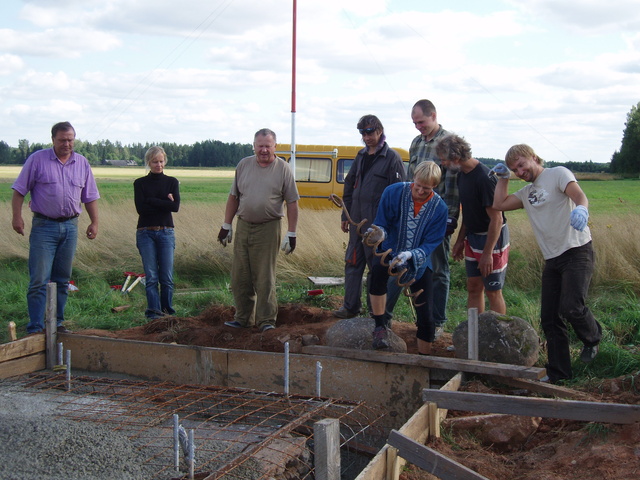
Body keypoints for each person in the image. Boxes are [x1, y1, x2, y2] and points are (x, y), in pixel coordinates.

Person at [492, 144, 601, 383]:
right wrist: (502, 179)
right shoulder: (526, 193)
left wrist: (582, 209)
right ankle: (559, 374)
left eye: (521, 164)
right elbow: (499, 205)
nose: (520, 171)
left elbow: (579, 195)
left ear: (533, 157)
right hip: (552, 259)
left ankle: (593, 339)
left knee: (571, 306)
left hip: (577, 250)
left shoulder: (558, 174)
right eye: (514, 169)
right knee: (550, 318)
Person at [11, 121, 100, 334]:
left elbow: (90, 197)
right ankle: (35, 327)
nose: (67, 144)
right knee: (39, 280)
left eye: (70, 139)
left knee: (62, 280)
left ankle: (57, 323)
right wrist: (17, 217)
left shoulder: (82, 163)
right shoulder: (37, 160)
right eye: (62, 140)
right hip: (44, 227)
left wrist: (94, 222)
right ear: (53, 140)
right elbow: (19, 191)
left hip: (70, 227)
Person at [386, 100, 459, 337]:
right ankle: (384, 317)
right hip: (412, 215)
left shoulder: (449, 143)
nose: (418, 126)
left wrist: (451, 217)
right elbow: (410, 180)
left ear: (434, 116)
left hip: (437, 217)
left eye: (421, 121)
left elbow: (453, 184)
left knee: (437, 269)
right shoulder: (416, 143)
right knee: (402, 263)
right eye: (415, 123)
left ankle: (436, 322)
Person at [218, 128, 299, 332]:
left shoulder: (283, 169)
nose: (263, 150)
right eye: (260, 146)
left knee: (264, 277)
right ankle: (243, 318)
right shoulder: (244, 165)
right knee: (240, 276)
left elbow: (292, 203)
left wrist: (292, 233)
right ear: (254, 146)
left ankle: (266, 321)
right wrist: (226, 224)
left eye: (267, 146)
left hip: (269, 228)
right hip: (244, 225)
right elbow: (234, 197)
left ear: (275, 146)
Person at [366, 161, 447, 353]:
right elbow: (382, 222)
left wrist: (411, 254)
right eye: (417, 185)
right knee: (377, 273)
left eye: (425, 189)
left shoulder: (440, 208)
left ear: (434, 186)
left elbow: (432, 242)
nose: (419, 191)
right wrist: (379, 233)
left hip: (417, 261)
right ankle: (379, 327)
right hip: (389, 252)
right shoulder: (393, 192)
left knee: (426, 314)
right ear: (413, 178)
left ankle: (424, 358)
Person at [332, 115, 406, 319]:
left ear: (380, 131)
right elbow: (349, 185)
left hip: (378, 226)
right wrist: (344, 215)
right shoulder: (361, 156)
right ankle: (350, 307)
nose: (367, 137)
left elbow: (399, 194)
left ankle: (376, 312)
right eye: (363, 133)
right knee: (353, 262)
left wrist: (391, 227)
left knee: (377, 268)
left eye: (370, 132)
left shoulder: (392, 158)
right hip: (356, 220)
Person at [436, 134, 509, 314]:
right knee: (474, 287)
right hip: (473, 237)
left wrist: (487, 254)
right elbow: (468, 212)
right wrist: (461, 240)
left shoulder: (484, 177)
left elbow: (497, 219)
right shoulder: (462, 174)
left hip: (492, 239)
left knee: (493, 291)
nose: (442, 164)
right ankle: (473, 337)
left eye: (444, 160)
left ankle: (496, 337)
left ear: (456, 158)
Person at [134, 146, 180, 320]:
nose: (158, 165)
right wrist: (164, 202)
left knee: (166, 277)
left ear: (165, 161)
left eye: (161, 161)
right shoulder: (140, 183)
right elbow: (141, 209)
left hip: (166, 232)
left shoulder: (172, 182)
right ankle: (153, 313)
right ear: (148, 162)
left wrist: (151, 200)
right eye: (154, 161)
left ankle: (167, 312)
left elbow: (175, 207)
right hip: (145, 232)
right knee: (152, 277)